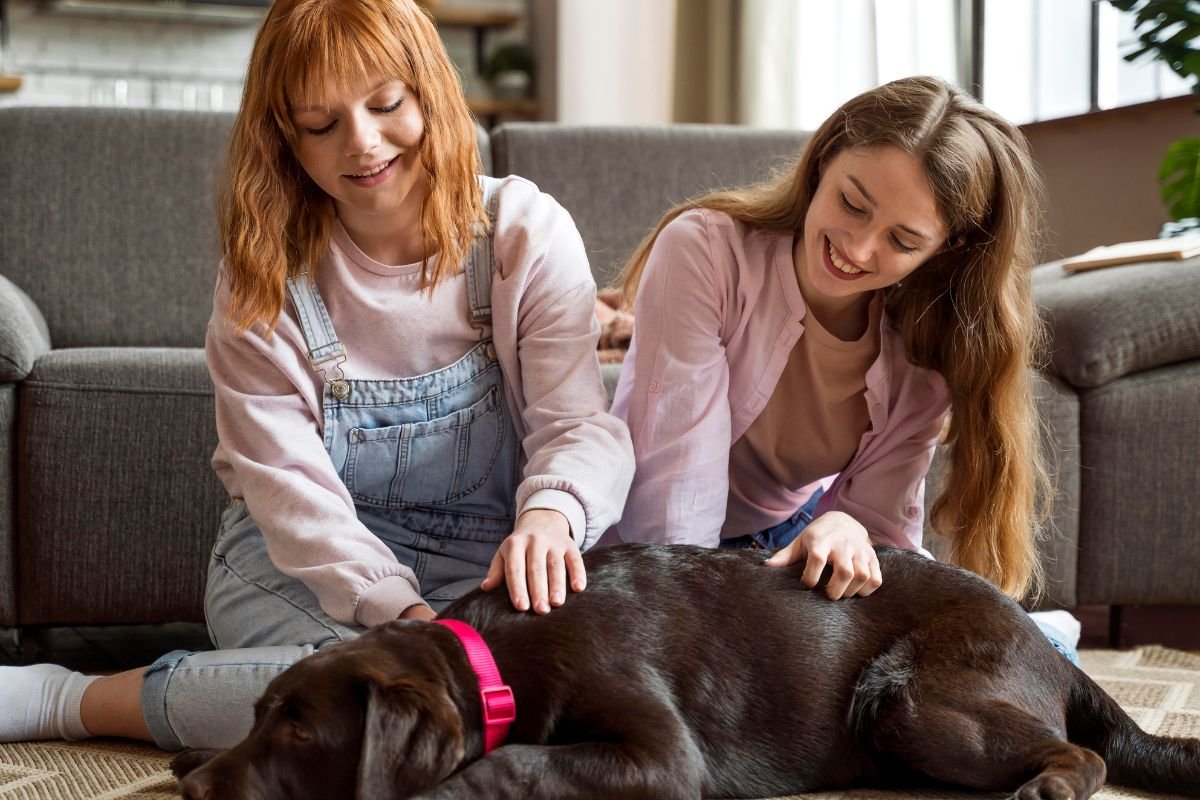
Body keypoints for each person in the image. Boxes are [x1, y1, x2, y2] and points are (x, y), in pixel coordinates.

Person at [1, 0, 632, 749]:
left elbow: (578, 424)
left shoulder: (524, 232)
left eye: (386, 103)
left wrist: (551, 517)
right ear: (285, 138)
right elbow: (288, 491)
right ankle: (68, 700)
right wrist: (404, 622)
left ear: (428, 91)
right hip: (295, 563)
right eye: (321, 124)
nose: (362, 144)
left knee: (473, 703)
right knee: (392, 699)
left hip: (481, 568)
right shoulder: (265, 271)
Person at [609, 76, 1081, 659]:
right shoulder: (706, 250)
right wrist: (690, 633)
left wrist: (850, 530)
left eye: (903, 241)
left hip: (786, 548)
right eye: (852, 204)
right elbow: (674, 499)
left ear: (947, 249)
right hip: (652, 548)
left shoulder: (922, 357)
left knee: (958, 656)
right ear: (823, 160)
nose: (857, 249)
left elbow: (880, 527)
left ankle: (1046, 639)